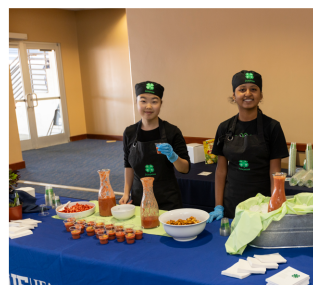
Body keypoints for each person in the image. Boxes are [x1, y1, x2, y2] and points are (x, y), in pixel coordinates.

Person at [207, 70, 289, 222]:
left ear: (261, 95)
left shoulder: (272, 127)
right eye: (242, 89)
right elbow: (221, 170)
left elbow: (275, 173)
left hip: (262, 202)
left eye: (253, 89)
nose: (248, 93)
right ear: (234, 95)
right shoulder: (224, 128)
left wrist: (275, 205)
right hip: (232, 201)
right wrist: (218, 205)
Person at [119, 81, 190, 210]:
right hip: (139, 197)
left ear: (161, 104)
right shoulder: (129, 132)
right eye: (143, 101)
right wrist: (126, 193)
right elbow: (128, 165)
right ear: (136, 102)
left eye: (154, 101)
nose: (148, 106)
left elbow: (185, 169)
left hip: (167, 199)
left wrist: (173, 156)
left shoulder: (172, 131)